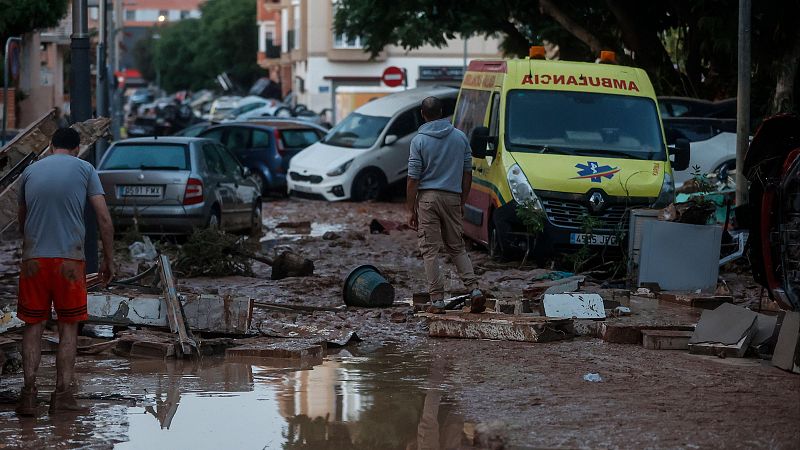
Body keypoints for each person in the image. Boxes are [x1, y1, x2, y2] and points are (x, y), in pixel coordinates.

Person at [15, 127, 115, 416]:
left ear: (50, 145)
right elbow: (104, 219)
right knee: (67, 328)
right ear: (77, 147)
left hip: (33, 261)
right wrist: (109, 260)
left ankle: (29, 397)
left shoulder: (30, 172)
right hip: (70, 262)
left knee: (32, 327)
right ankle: (62, 397)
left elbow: (22, 222)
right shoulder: (85, 169)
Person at [407, 96, 485, 314]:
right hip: (452, 196)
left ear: (423, 114)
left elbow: (413, 178)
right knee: (457, 247)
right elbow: (467, 173)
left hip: (428, 199)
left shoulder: (418, 141)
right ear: (442, 112)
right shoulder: (460, 138)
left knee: (430, 250)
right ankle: (474, 291)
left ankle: (438, 301)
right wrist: (462, 200)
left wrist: (410, 209)